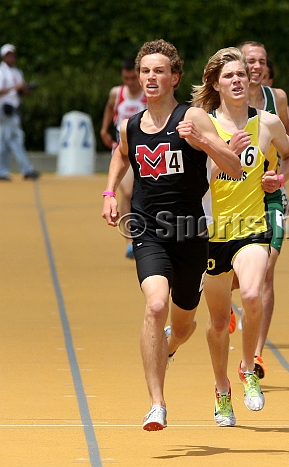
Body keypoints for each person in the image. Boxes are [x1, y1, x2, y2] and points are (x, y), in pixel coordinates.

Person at [101, 39, 242, 431]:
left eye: (159, 71)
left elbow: (233, 166)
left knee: (182, 326)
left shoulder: (193, 117)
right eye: (145, 71)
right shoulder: (132, 124)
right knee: (155, 303)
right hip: (148, 230)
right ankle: (157, 405)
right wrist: (111, 192)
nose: (151, 77)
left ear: (174, 77)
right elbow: (120, 153)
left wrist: (204, 141)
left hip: (191, 233)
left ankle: (170, 345)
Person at [191, 47, 289, 426]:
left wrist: (278, 178)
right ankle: (222, 391)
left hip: (252, 226)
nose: (238, 80)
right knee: (219, 322)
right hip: (212, 230)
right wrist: (221, 153)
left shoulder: (267, 123)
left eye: (242, 74)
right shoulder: (202, 124)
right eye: (229, 76)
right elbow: (191, 182)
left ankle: (249, 368)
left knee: (252, 293)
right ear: (215, 84)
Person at [238, 41, 289, 378]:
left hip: (270, 197)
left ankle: (255, 354)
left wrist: (282, 178)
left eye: (261, 61)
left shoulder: (276, 99)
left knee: (267, 270)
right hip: (229, 198)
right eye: (250, 60)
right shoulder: (218, 102)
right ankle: (227, 308)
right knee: (230, 275)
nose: (256, 66)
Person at [100, 59, 148, 259]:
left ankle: (149, 234)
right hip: (123, 150)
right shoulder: (117, 93)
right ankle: (130, 240)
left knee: (145, 194)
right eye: (125, 78)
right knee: (127, 192)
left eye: (132, 78)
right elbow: (110, 107)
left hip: (147, 152)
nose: (129, 82)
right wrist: (104, 129)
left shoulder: (150, 93)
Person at [0, 44, 39, 181]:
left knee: (4, 141)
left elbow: (19, 90)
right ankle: (26, 169)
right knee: (16, 138)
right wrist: (15, 87)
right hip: (4, 109)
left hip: (15, 109)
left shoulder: (17, 71)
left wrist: (26, 89)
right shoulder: (1, 72)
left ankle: (2, 172)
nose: (11, 57)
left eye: (12, 54)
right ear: (4, 57)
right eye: (8, 55)